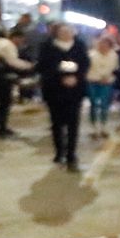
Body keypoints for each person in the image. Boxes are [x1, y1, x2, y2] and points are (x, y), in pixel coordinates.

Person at [37, 23, 89, 169]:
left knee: (73, 123)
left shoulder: (79, 46)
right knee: (56, 123)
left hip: (74, 90)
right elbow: (45, 66)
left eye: (69, 31)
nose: (66, 34)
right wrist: (63, 75)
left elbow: (84, 64)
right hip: (54, 90)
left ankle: (71, 153)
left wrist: (74, 76)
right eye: (63, 31)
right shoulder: (48, 47)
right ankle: (59, 151)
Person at [0, 25, 31, 138]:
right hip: (3, 78)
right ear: (16, 37)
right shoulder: (8, 45)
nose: (21, 42)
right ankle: (0, 127)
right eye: (21, 39)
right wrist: (28, 66)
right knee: (5, 103)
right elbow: (12, 61)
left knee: (2, 103)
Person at [85, 34, 119, 139]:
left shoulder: (114, 56)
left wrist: (107, 77)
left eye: (106, 44)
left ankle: (104, 127)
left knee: (104, 104)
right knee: (93, 104)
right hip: (92, 81)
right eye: (101, 43)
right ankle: (94, 127)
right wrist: (99, 76)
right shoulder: (91, 55)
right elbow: (88, 68)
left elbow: (115, 69)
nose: (103, 46)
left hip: (107, 82)